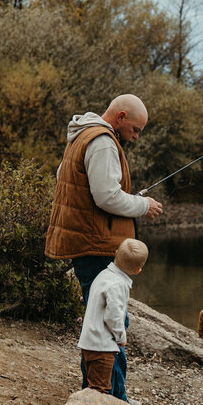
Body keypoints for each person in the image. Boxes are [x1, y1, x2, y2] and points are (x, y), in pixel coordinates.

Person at [46, 93, 163, 301]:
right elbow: (107, 197)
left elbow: (62, 174)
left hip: (88, 243)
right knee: (109, 310)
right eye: (135, 129)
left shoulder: (83, 134)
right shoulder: (103, 142)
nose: (136, 137)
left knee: (96, 309)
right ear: (121, 116)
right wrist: (144, 205)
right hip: (96, 245)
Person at [78, 238, 147, 402]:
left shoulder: (103, 275)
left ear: (115, 253)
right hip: (101, 347)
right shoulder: (118, 285)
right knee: (101, 391)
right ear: (138, 270)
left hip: (89, 342)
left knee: (91, 385)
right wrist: (120, 337)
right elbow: (113, 317)